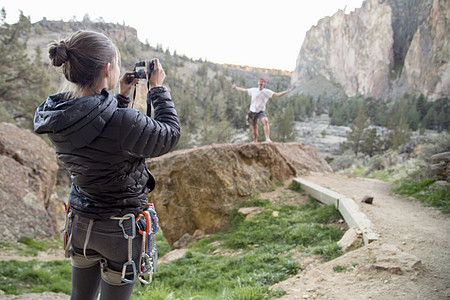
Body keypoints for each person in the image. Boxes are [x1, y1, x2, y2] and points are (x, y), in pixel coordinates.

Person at [33, 30, 180, 300]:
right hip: (119, 233)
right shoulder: (123, 122)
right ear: (108, 68)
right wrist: (158, 89)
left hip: (80, 225)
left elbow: (99, 133)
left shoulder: (58, 116)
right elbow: (169, 135)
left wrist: (121, 95)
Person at [231, 78, 292, 142]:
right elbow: (244, 90)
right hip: (252, 111)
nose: (261, 83)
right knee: (254, 127)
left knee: (265, 121)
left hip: (261, 111)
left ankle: (267, 138)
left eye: (262, 82)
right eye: (260, 81)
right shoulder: (253, 90)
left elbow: (277, 95)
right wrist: (235, 87)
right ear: (258, 83)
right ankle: (255, 140)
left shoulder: (267, 92)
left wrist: (286, 91)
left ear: (264, 84)